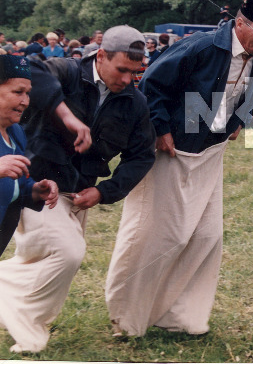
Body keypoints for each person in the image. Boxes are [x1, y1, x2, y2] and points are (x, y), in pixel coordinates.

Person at [105, 0, 253, 338]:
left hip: (209, 153)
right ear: (240, 23)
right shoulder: (199, 48)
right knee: (158, 235)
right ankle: (126, 316)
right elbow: (151, 84)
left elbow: (251, 95)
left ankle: (179, 316)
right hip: (171, 151)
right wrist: (161, 129)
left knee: (205, 236)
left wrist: (239, 121)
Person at [0, 26, 155, 353]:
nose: (127, 79)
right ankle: (28, 329)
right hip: (39, 187)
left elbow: (142, 157)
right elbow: (30, 66)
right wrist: (67, 116)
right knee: (68, 252)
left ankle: (10, 297)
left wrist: (104, 192)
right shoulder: (67, 70)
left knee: (38, 259)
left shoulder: (135, 104)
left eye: (135, 72)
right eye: (122, 69)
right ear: (101, 55)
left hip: (80, 195)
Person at [0, 56, 59, 256]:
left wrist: (35, 190)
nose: (25, 102)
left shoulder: (15, 133)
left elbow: (13, 185)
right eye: (18, 92)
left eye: (28, 93)